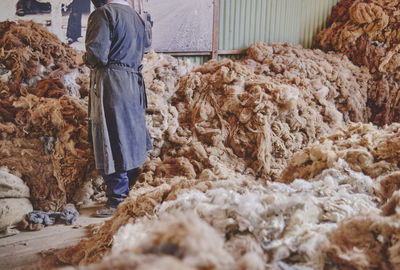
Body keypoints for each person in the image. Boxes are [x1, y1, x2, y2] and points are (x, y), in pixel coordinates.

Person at [83, 0, 153, 217]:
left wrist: (83, 57)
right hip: (132, 82)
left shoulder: (103, 14)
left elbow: (97, 55)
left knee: (110, 136)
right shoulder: (136, 17)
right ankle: (127, 189)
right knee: (129, 135)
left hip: (112, 83)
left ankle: (117, 199)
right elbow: (146, 48)